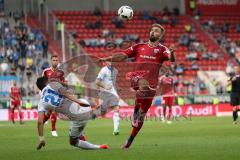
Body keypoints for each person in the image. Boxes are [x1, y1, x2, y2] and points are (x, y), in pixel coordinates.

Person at [99, 23, 176, 148]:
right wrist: (106, 58)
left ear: (161, 35)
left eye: (156, 31)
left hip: (151, 86)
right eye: (152, 30)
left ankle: (129, 140)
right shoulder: (139, 46)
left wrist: (172, 53)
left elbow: (171, 59)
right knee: (141, 84)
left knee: (141, 115)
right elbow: (122, 56)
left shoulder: (163, 49)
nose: (152, 32)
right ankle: (136, 109)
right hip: (137, 79)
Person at [36, 77, 109, 150]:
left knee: (73, 141)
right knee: (74, 124)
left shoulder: (41, 102)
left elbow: (40, 122)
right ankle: (92, 112)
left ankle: (99, 147)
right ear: (47, 82)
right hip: (83, 103)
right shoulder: (54, 84)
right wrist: (78, 101)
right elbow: (66, 92)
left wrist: (41, 139)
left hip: (79, 116)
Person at [42, 55, 65, 137]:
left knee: (52, 111)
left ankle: (53, 129)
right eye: (53, 60)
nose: (55, 61)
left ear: (58, 61)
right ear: (51, 61)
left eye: (56, 60)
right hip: (48, 94)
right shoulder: (46, 71)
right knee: (49, 113)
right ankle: (50, 127)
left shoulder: (61, 72)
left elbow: (64, 83)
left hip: (57, 94)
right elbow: (42, 82)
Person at [96, 60, 120, 135]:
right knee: (102, 112)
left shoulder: (115, 70)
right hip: (105, 93)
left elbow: (112, 82)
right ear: (105, 63)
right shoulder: (103, 70)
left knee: (116, 108)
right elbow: (97, 82)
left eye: (111, 61)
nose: (110, 63)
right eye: (108, 61)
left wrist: (117, 87)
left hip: (112, 92)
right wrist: (105, 86)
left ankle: (116, 130)